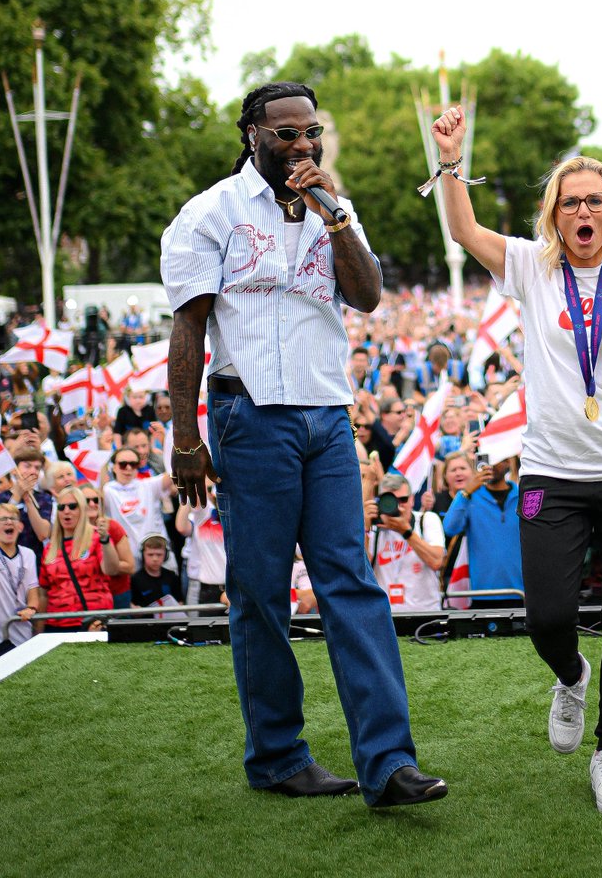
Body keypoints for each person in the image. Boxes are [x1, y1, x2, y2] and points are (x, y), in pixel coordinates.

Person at [160, 80, 445, 807]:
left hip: (326, 417)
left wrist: (336, 213)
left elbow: (369, 292)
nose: (301, 145)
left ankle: (387, 765)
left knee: (351, 583)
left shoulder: (331, 208)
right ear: (251, 132)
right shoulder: (207, 215)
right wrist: (185, 434)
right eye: (285, 133)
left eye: (309, 132)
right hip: (246, 416)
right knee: (260, 596)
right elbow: (189, 329)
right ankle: (278, 757)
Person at [431, 104, 602, 815]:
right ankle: (570, 674)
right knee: (547, 616)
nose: (583, 210)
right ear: (554, 214)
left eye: (595, 200)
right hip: (552, 472)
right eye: (570, 200)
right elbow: (463, 230)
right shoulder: (530, 266)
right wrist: (452, 161)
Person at [441, 457, 522, 605]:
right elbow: (449, 528)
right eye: (486, 458)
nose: (490, 465)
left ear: (507, 462)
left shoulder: (522, 496)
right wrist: (465, 492)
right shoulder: (471, 497)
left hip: (521, 593)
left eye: (496, 458)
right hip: (481, 594)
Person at [39, 485, 121, 630]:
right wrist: (38, 632)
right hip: (57, 624)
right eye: (61, 507)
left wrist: (105, 541)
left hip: (92, 622)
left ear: (82, 510)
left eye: (72, 506)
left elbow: (111, 570)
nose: (66, 511)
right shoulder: (50, 548)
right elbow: (44, 593)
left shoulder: (96, 538)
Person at [365, 472, 446, 612]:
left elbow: (436, 561)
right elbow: (362, 571)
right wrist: (364, 528)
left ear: (412, 500)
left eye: (403, 499)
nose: (398, 506)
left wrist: (406, 531)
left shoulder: (426, 520)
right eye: (391, 500)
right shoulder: (374, 528)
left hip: (425, 613)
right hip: (386, 615)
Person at [0, 503, 40, 659]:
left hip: (21, 633)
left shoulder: (28, 554)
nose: (9, 522)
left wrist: (32, 608)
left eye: (13, 518)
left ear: (20, 526)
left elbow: (33, 589)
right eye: (2, 519)